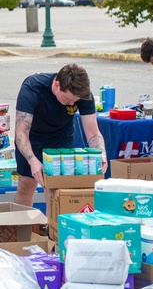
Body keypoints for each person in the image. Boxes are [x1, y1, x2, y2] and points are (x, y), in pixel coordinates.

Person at [14, 64, 108, 207]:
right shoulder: (33, 88)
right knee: (27, 183)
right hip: (32, 137)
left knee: (56, 187)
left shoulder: (82, 94)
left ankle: (55, 226)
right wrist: (33, 161)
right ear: (57, 85)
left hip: (61, 136)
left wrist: (101, 154)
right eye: (69, 99)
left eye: (75, 101)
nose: (72, 103)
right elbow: (21, 133)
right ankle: (22, 227)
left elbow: (93, 132)